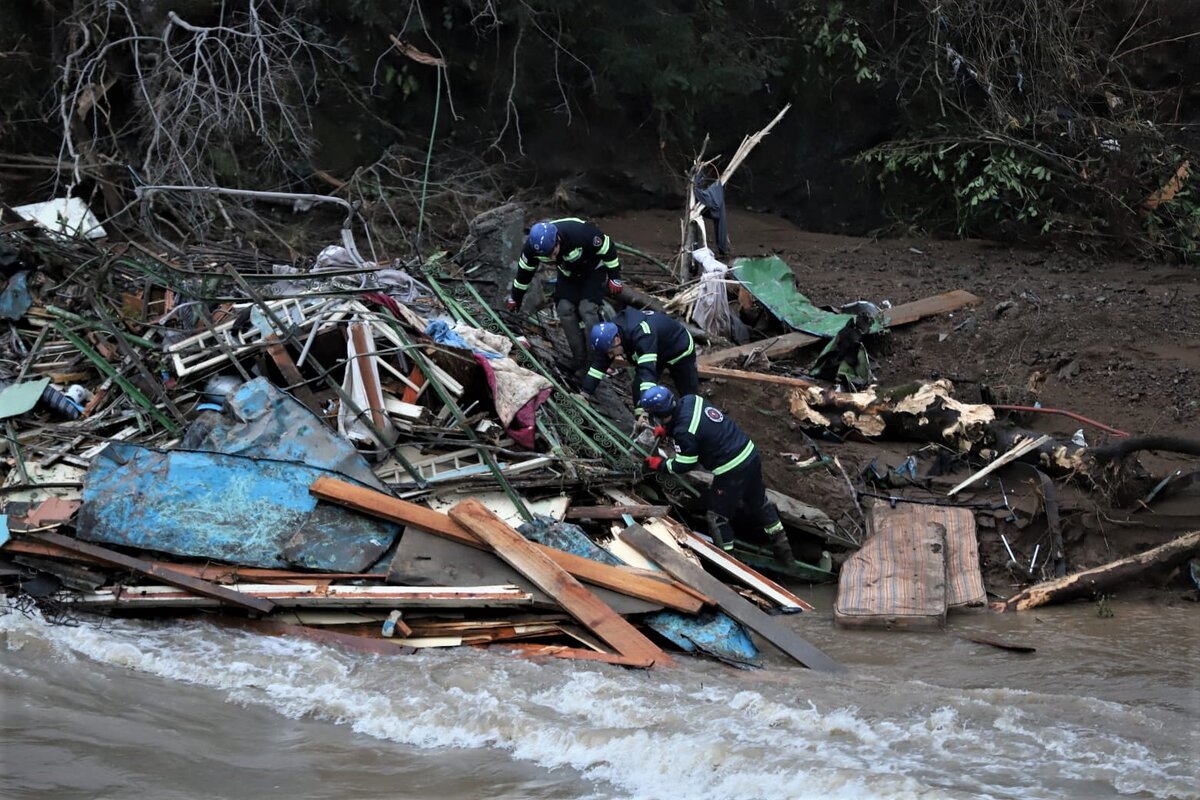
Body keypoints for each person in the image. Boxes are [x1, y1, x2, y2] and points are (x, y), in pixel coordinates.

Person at [638, 385, 795, 564]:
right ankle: (785, 554)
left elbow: (686, 463)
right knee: (759, 503)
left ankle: (729, 564)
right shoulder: (691, 399)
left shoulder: (684, 431)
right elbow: (697, 426)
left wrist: (661, 464)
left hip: (731, 469)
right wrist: (668, 430)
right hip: (749, 454)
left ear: (657, 414)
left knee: (717, 517)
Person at [505, 218, 621, 381]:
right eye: (546, 255)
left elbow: (608, 247)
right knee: (564, 309)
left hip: (593, 271)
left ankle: (596, 362)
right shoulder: (532, 249)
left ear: (558, 239)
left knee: (587, 310)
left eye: (553, 252)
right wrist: (515, 297)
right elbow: (524, 274)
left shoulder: (580, 233)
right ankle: (579, 359)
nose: (551, 257)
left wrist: (615, 277)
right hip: (568, 275)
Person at [581, 308, 698, 403]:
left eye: (611, 352)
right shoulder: (611, 335)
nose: (610, 356)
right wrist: (585, 393)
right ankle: (642, 422)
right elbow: (598, 365)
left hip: (679, 349)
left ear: (616, 340)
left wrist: (646, 408)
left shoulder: (643, 335)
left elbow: (647, 372)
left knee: (688, 394)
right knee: (638, 386)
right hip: (655, 348)